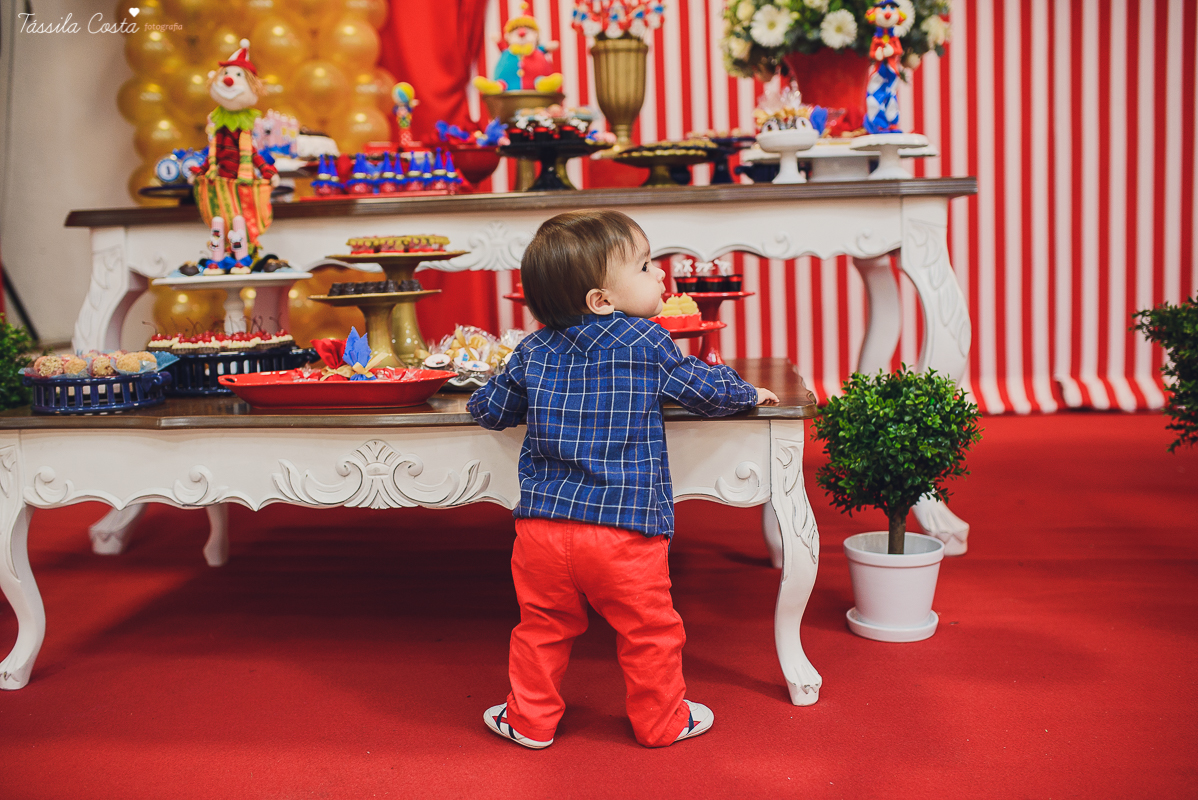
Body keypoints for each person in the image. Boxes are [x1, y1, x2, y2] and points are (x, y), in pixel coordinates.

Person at [467, 210, 779, 749]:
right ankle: (660, 722)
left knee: (540, 629)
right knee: (649, 631)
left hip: (542, 530)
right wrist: (747, 392)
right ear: (601, 301)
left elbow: (489, 410)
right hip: (623, 529)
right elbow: (703, 390)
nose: (661, 275)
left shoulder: (531, 350)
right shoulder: (645, 342)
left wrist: (493, 391)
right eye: (646, 265)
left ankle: (529, 721)